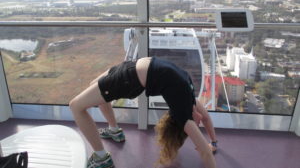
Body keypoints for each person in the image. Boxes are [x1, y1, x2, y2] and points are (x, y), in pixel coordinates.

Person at [69, 57, 218, 168]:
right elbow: (206, 118)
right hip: (131, 66)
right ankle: (114, 130)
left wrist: (205, 145)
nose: (198, 124)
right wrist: (213, 141)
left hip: (129, 79)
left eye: (195, 128)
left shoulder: (183, 116)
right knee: (93, 86)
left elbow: (205, 153)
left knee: (76, 106)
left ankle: (101, 158)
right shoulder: (190, 101)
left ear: (183, 127)